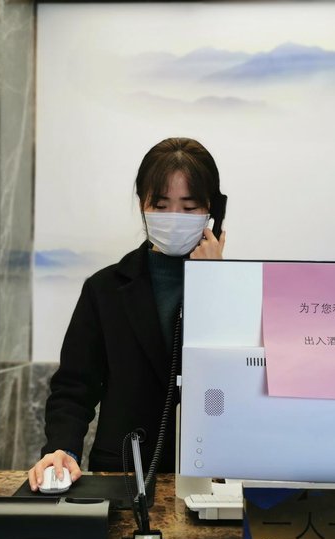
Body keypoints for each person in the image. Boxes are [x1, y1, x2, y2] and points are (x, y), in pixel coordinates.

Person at [28, 137, 227, 491]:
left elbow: (234, 378)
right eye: (161, 206)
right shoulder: (104, 288)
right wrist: (62, 449)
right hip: (121, 472)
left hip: (210, 471)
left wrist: (213, 283)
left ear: (212, 210)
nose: (174, 218)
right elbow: (74, 386)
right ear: (142, 205)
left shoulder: (232, 289)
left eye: (189, 207)